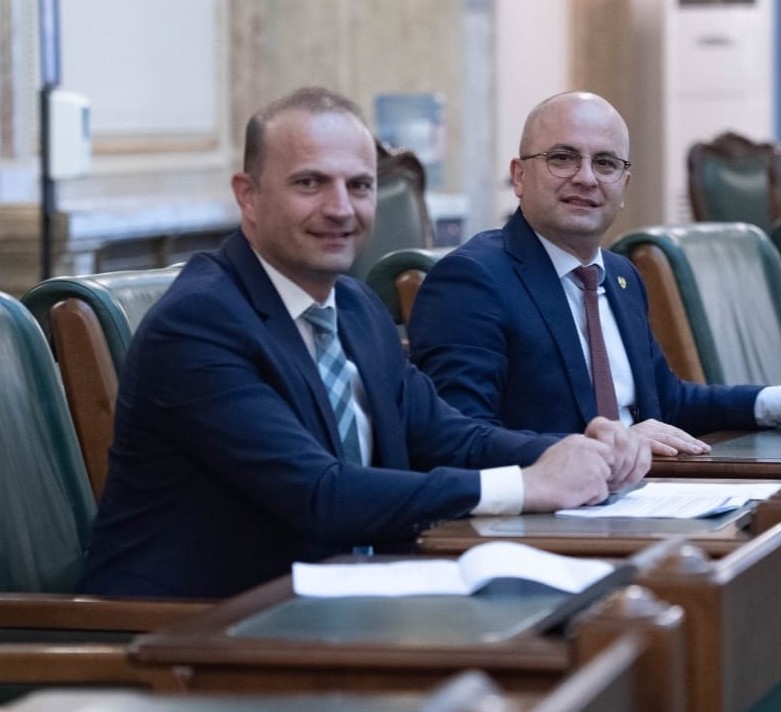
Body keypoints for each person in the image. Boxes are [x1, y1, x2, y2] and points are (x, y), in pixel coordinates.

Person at [78, 87, 650, 599]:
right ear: (248, 196)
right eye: (309, 183)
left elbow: (449, 436)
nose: (339, 209)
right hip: (190, 632)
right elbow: (320, 494)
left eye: (359, 186)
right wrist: (525, 485)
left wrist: (575, 451)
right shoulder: (200, 321)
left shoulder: (354, 308)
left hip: (345, 601)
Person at [408, 91, 781, 455]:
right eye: (562, 158)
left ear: (624, 185)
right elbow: (459, 438)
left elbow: (668, 402)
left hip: (651, 494)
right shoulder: (472, 280)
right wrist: (608, 449)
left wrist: (776, 403)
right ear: (519, 176)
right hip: (547, 519)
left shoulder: (620, 275)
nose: (586, 178)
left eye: (605, 163)